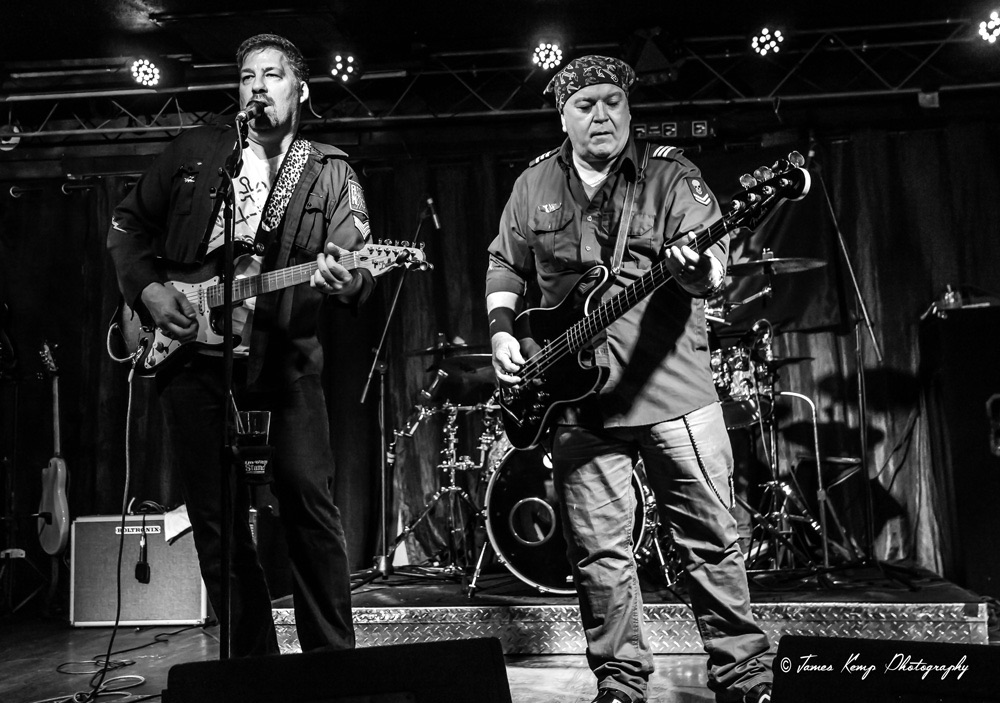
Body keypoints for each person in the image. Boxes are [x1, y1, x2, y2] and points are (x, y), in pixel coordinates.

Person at [486, 55, 772, 703]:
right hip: (576, 406)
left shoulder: (672, 175)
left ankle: (744, 675)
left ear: (629, 107)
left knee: (710, 541)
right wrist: (503, 331)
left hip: (672, 393)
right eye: (585, 105)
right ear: (562, 115)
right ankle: (619, 681)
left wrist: (697, 271)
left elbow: (711, 264)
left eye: (612, 102)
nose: (602, 115)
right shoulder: (533, 184)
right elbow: (505, 264)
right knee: (598, 556)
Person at [107, 33, 375, 656]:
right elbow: (126, 224)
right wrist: (149, 291)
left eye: (273, 74)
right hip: (191, 358)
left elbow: (358, 261)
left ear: (299, 89)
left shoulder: (329, 170)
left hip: (285, 361)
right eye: (248, 75)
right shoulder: (198, 150)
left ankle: (332, 669)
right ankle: (253, 669)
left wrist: (348, 278)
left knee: (308, 505)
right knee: (216, 522)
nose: (258, 85)